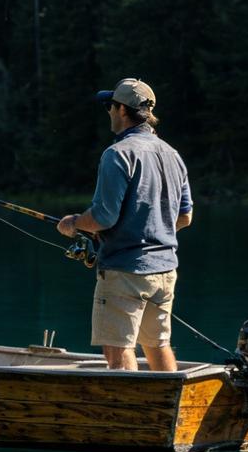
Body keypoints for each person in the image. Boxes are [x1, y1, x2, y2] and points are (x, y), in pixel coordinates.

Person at [57, 79, 193, 372]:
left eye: (110, 106)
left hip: (125, 272)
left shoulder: (117, 154)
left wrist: (74, 223)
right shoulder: (173, 155)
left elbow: (103, 217)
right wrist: (151, 232)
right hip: (165, 271)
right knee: (157, 344)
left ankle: (135, 415)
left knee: (118, 352)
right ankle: (169, 409)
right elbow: (184, 217)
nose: (108, 112)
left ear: (121, 109)